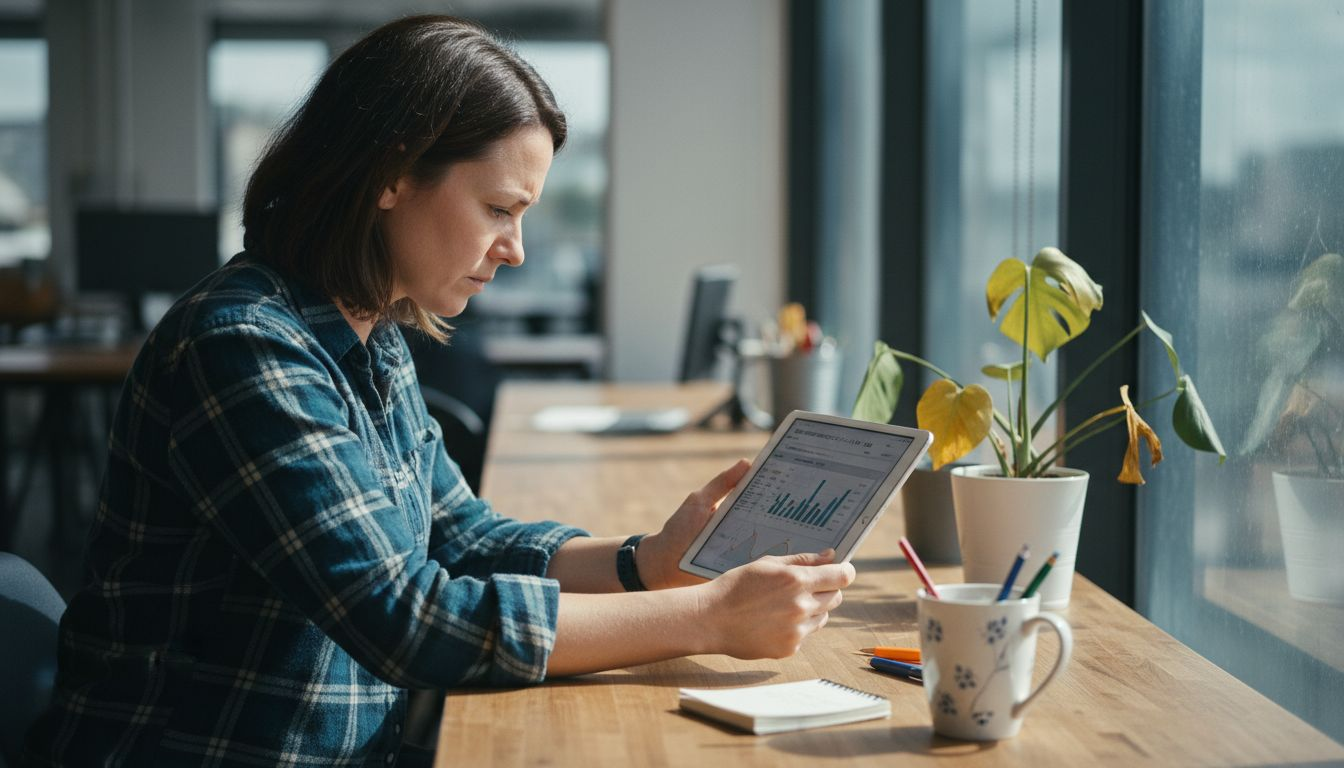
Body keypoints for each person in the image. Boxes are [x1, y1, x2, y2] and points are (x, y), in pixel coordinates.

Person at [23, 15, 854, 767]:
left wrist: (649, 562)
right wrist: (706, 618)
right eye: (500, 207)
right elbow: (406, 617)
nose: (515, 248)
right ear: (392, 174)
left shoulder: (370, 333)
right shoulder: (242, 347)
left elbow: (462, 536)